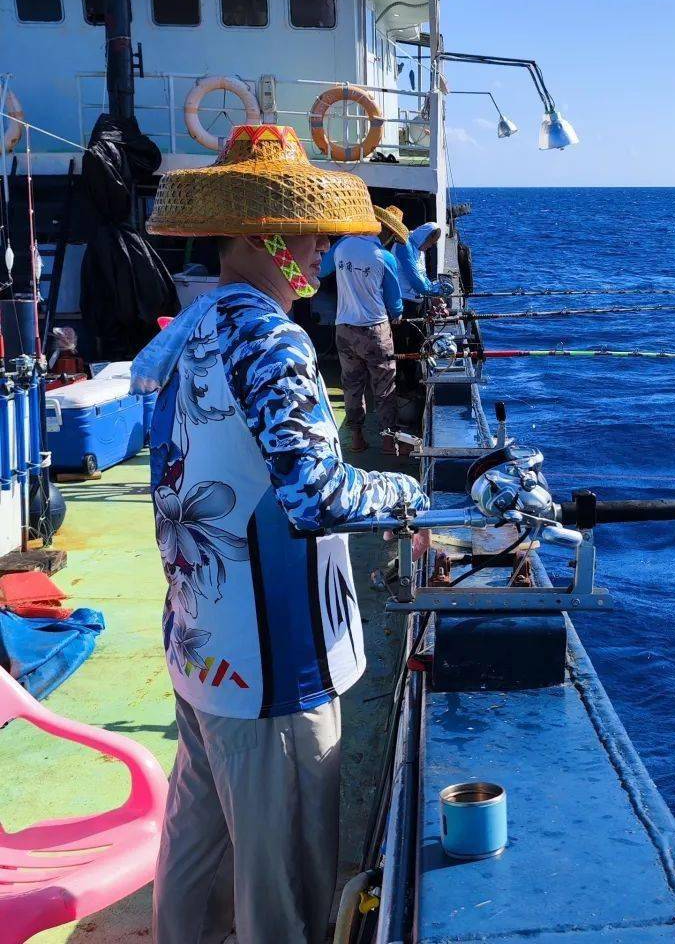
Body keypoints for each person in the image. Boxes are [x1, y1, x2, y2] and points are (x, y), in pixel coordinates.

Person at [130, 125, 428, 944]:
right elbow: (315, 494)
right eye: (309, 234)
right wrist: (406, 492)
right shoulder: (270, 338)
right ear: (268, 236)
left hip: (199, 647)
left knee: (198, 865)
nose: (321, 251)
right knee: (284, 895)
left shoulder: (193, 327)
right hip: (272, 671)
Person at [334, 204, 408, 455]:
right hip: (375, 330)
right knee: (384, 387)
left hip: (344, 329)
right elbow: (394, 301)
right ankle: (389, 441)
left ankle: (356, 437)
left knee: (352, 385)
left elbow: (322, 270)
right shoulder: (384, 257)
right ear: (387, 232)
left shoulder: (342, 246)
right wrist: (397, 315)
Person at [390, 222, 453, 397]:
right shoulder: (404, 246)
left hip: (417, 301)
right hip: (403, 302)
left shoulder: (419, 250)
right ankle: (402, 384)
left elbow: (423, 275)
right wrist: (436, 291)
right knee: (402, 344)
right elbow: (415, 280)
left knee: (418, 342)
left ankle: (413, 380)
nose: (430, 246)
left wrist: (435, 297)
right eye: (430, 242)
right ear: (423, 237)